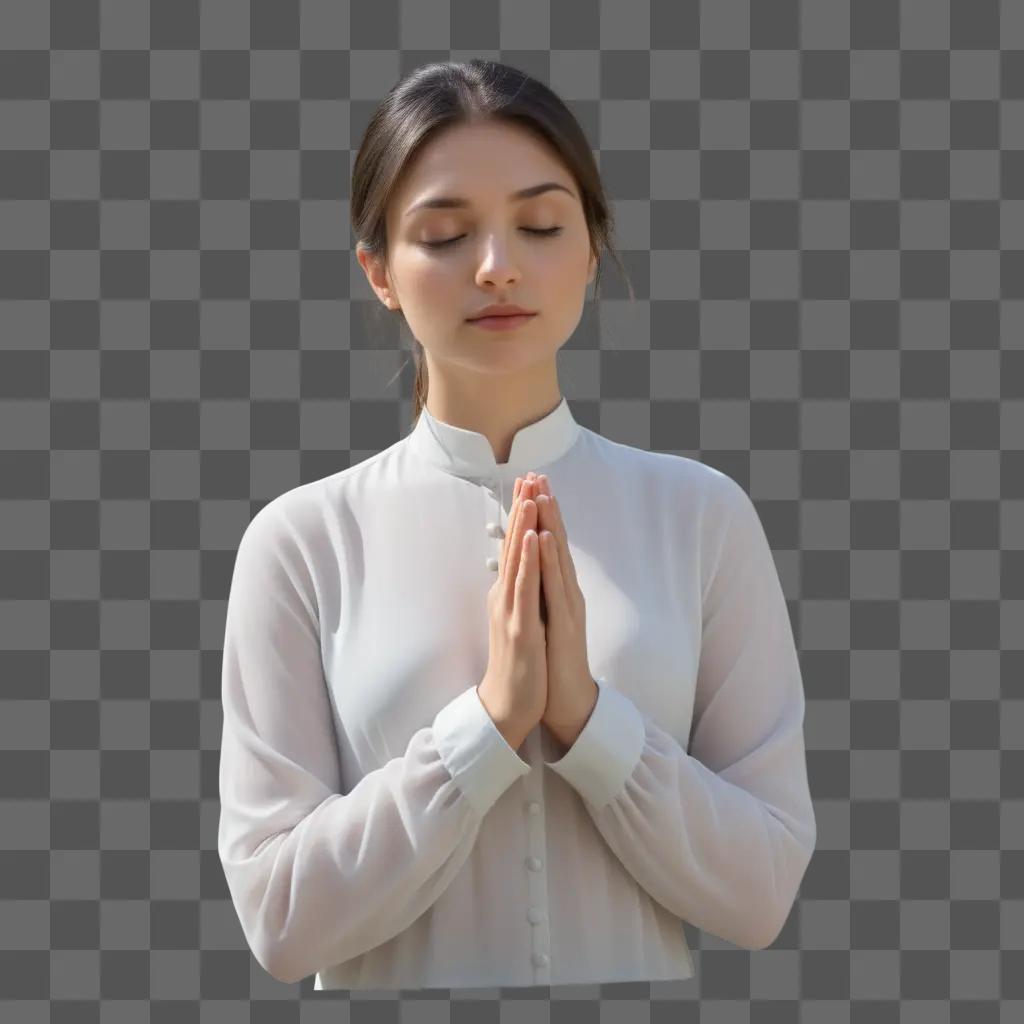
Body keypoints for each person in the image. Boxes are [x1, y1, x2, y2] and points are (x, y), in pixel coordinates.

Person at [217, 58, 817, 992]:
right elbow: (280, 920)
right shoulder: (302, 542)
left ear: (588, 247)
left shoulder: (701, 516)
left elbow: (763, 893)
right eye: (446, 234)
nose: (497, 266)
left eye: (540, 224)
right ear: (378, 270)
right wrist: (489, 726)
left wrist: (587, 720)